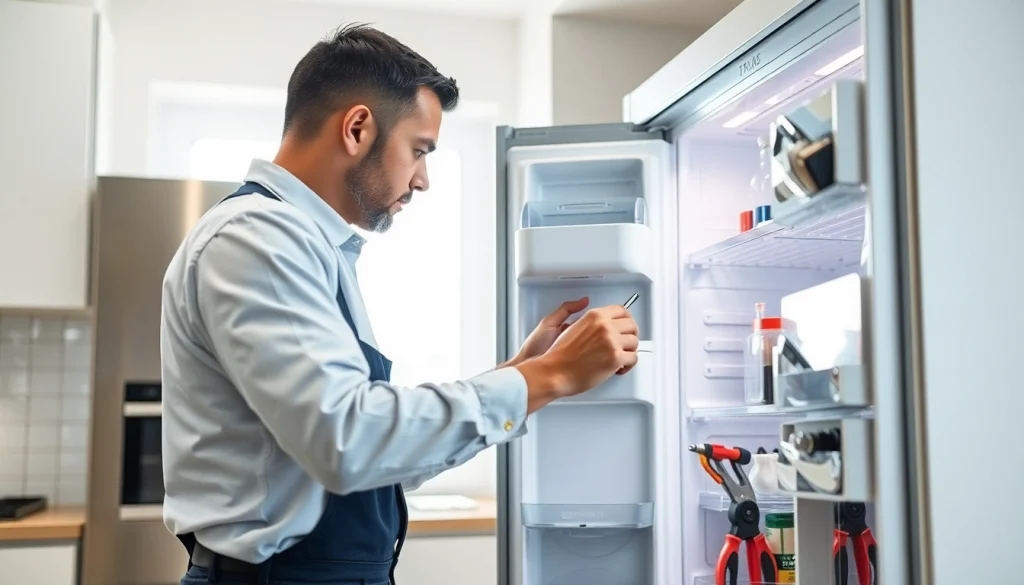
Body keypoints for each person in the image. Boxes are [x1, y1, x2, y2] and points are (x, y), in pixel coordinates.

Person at [160, 23, 640, 585]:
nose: (423, 179)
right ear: (358, 127)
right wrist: (549, 376)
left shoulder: (313, 246)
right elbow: (349, 440)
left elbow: (372, 457)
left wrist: (523, 374)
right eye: (419, 150)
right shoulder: (257, 238)